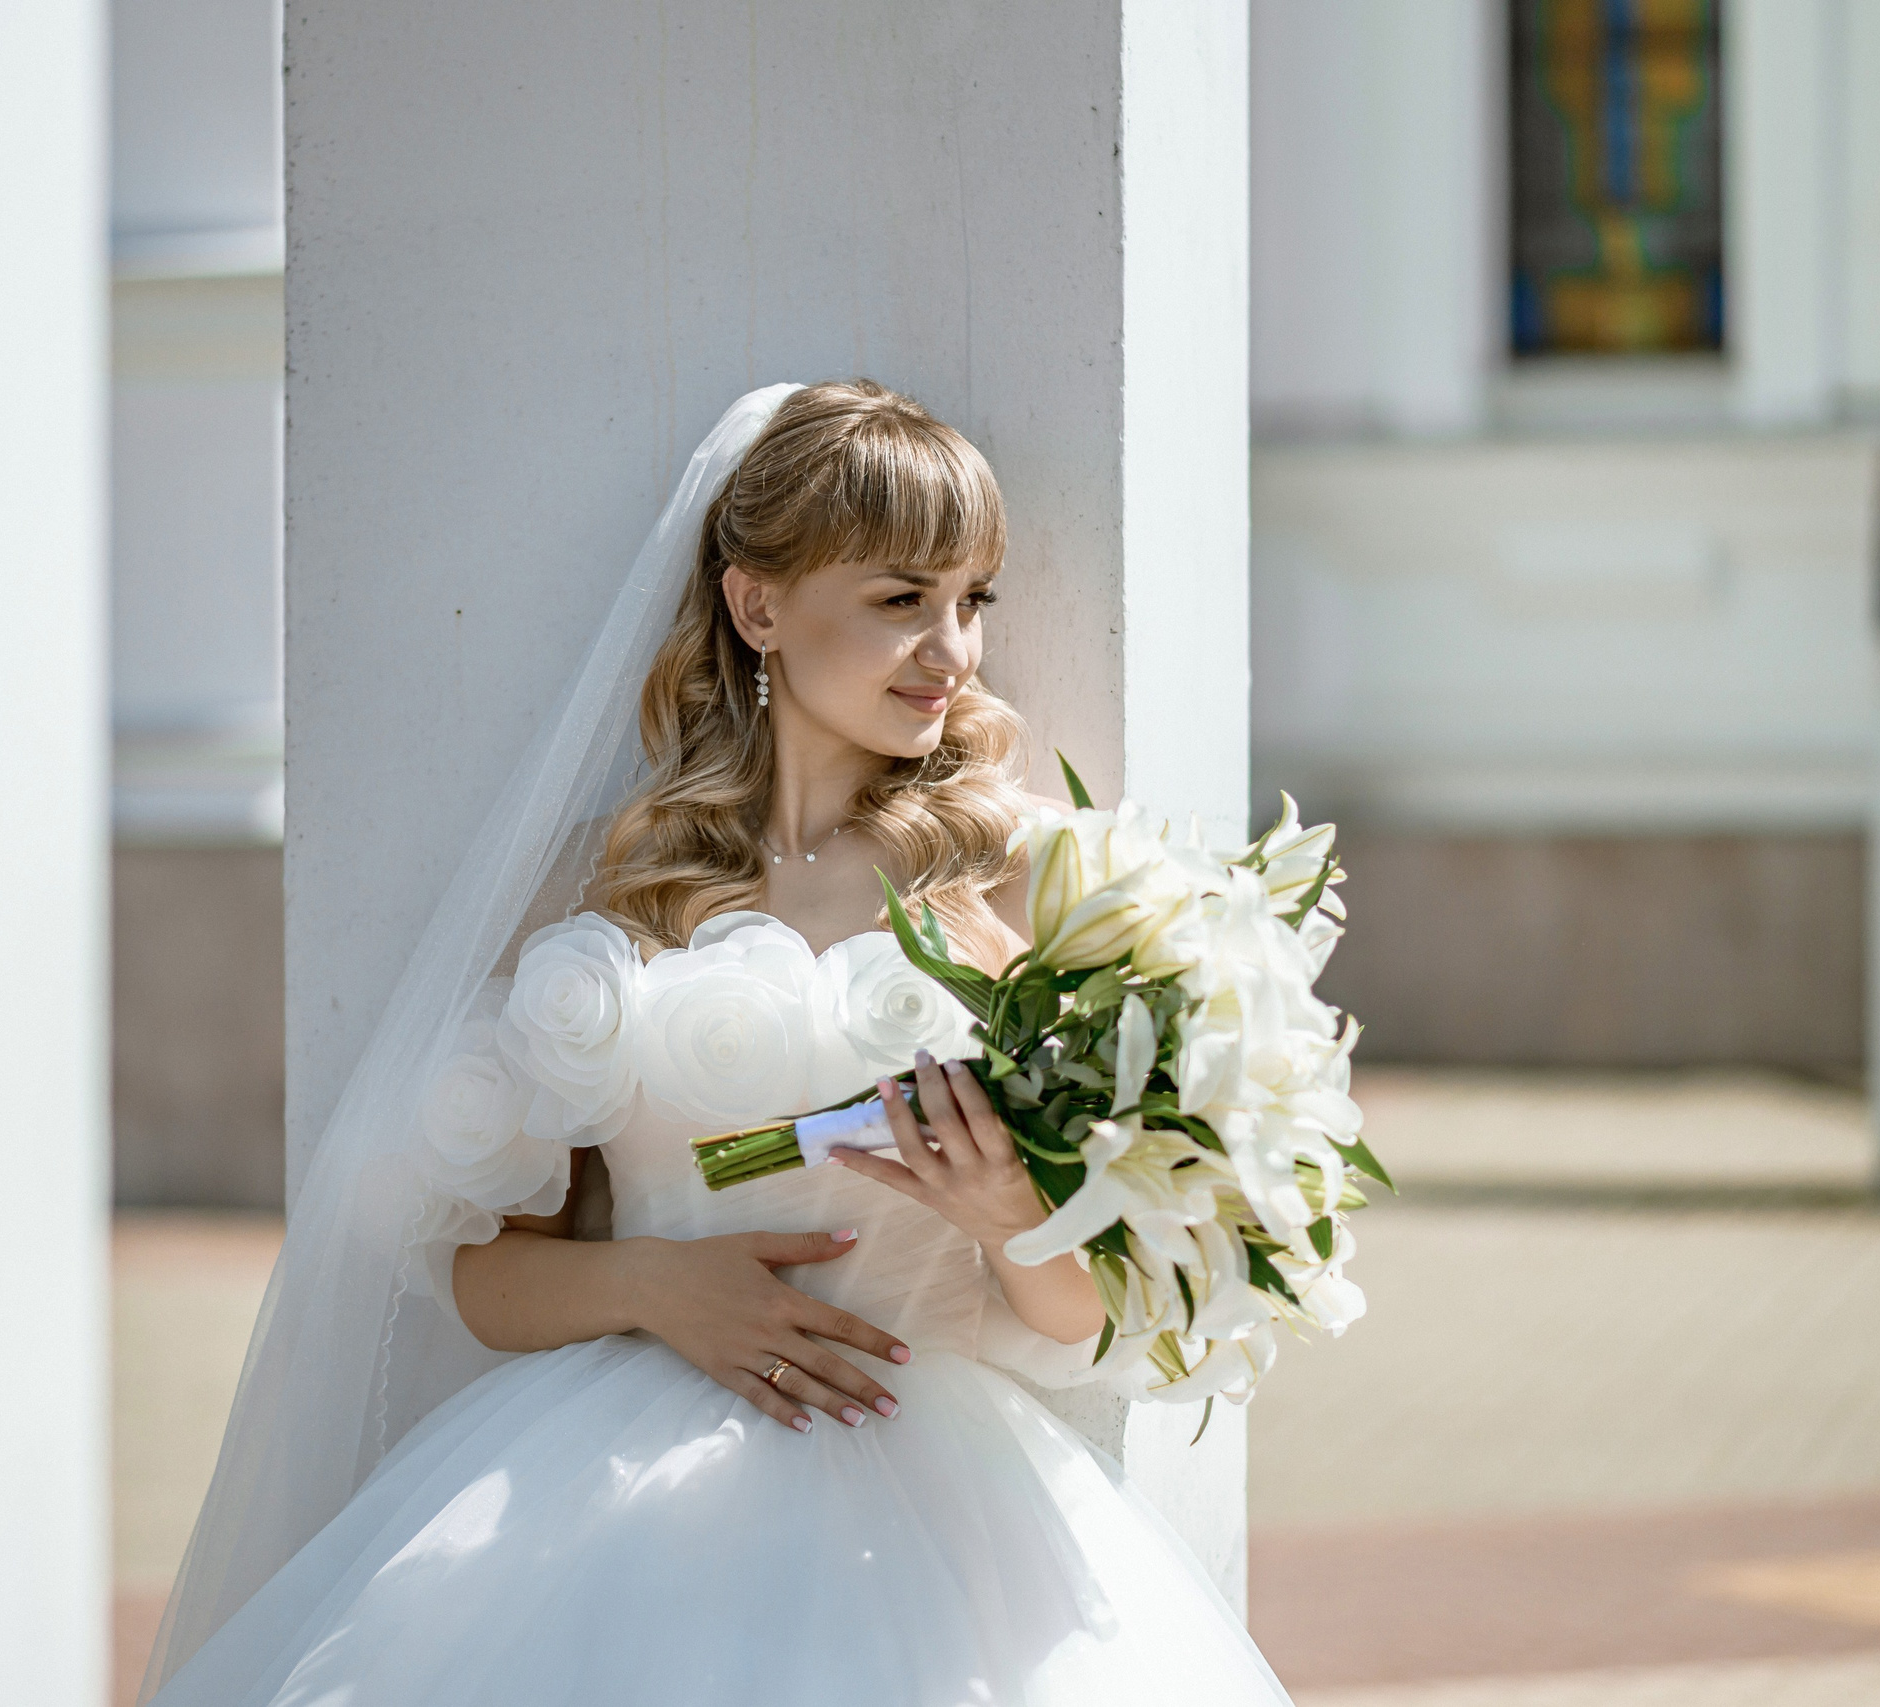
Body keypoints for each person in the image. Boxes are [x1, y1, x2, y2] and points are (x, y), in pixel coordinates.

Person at [139, 381, 1293, 1705]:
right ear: (759, 607)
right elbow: (468, 1265)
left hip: (937, 1518)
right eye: (901, 598)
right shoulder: (615, 887)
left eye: (975, 600)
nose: (952, 651)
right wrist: (652, 1284)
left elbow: (1093, 1317)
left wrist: (1014, 1211)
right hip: (601, 1502)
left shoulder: (1026, 880)